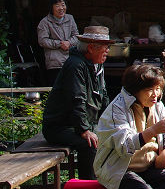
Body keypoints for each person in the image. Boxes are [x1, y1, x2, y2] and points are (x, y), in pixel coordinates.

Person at [42, 24, 113, 179]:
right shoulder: (75, 65)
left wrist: (110, 122)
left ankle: (106, 181)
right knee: (89, 143)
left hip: (83, 123)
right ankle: (87, 187)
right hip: (60, 127)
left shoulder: (97, 64)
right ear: (91, 48)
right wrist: (84, 130)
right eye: (105, 46)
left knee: (112, 137)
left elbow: (104, 97)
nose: (108, 50)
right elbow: (76, 99)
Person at [37, 0, 79, 87]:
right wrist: (59, 44)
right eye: (57, 6)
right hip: (55, 62)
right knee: (57, 87)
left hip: (70, 59)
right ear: (51, 8)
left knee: (71, 87)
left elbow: (76, 36)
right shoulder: (45, 22)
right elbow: (42, 41)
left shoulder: (70, 18)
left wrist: (69, 43)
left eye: (63, 5)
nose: (61, 8)